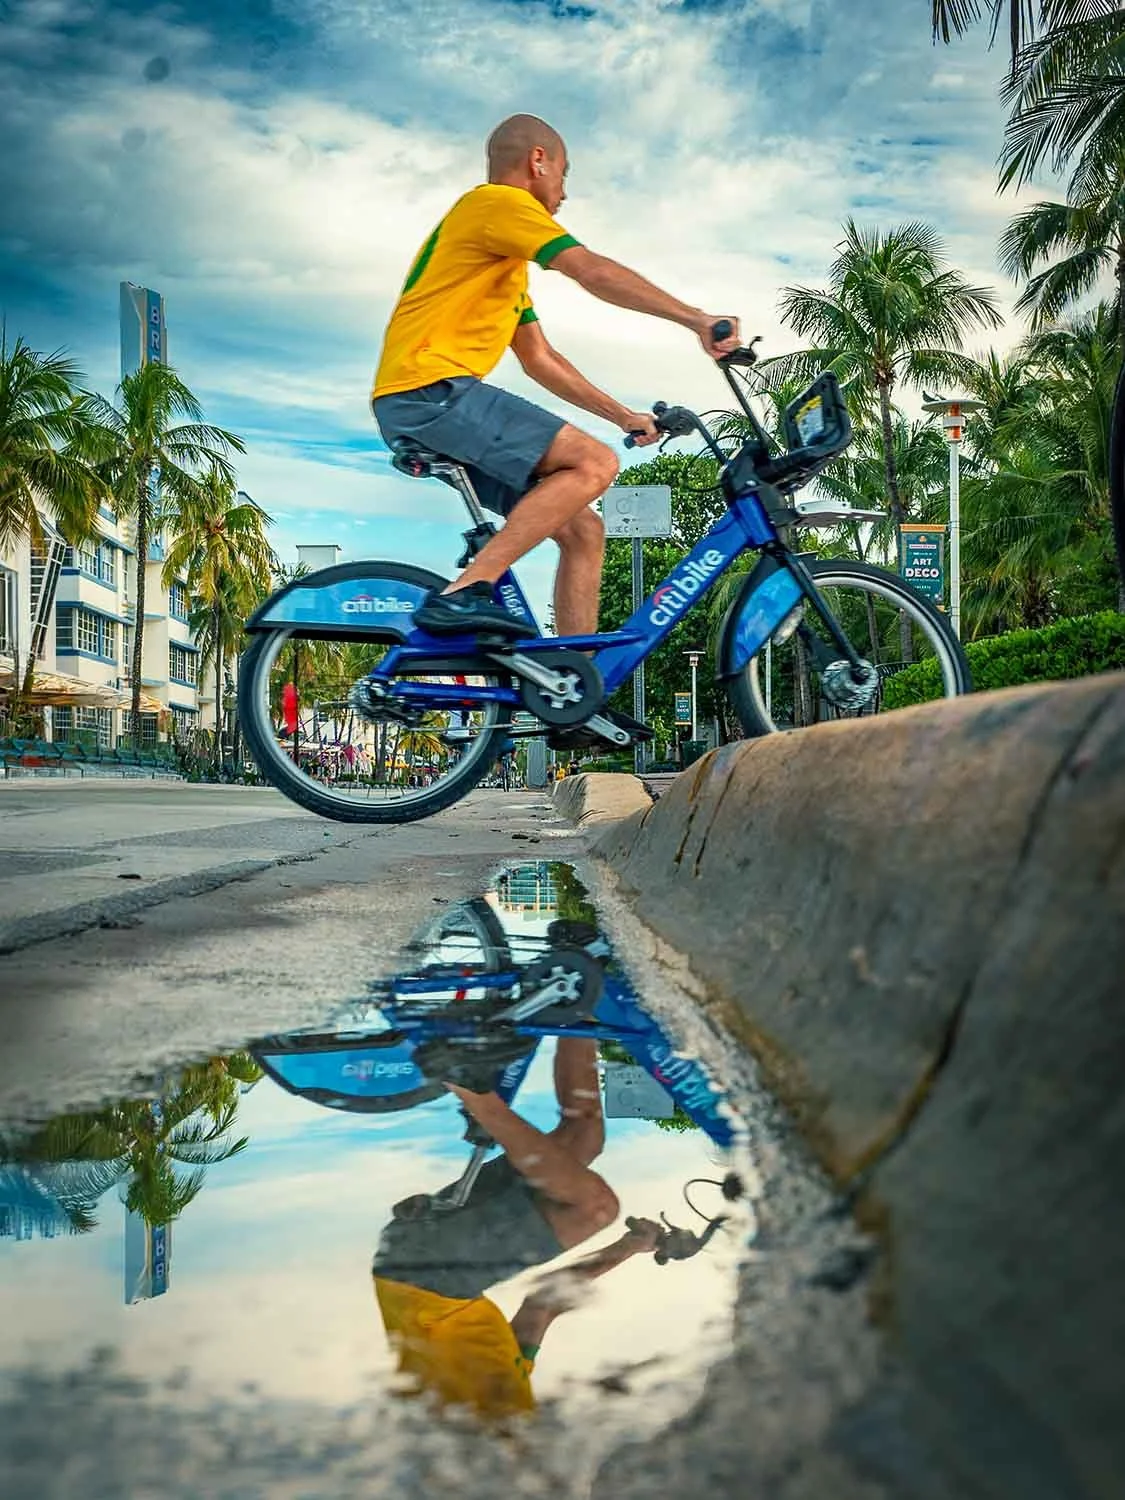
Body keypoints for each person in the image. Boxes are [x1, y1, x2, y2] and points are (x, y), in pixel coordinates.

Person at [371, 113, 741, 743]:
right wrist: (696, 319)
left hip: (423, 398)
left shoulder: (500, 258)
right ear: (538, 160)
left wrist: (624, 415)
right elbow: (590, 269)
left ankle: (571, 690)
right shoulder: (498, 205)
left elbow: (540, 359)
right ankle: (467, 589)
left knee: (584, 531)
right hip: (429, 390)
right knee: (594, 465)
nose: (564, 192)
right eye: (564, 175)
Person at [371, 1037, 663, 1420]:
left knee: (594, 1208)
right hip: (417, 1263)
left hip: (430, 1282)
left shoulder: (493, 1435)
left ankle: (469, 1086)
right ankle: (578, 1015)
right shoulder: (516, 1380)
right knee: (583, 1138)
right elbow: (541, 1304)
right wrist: (629, 1246)